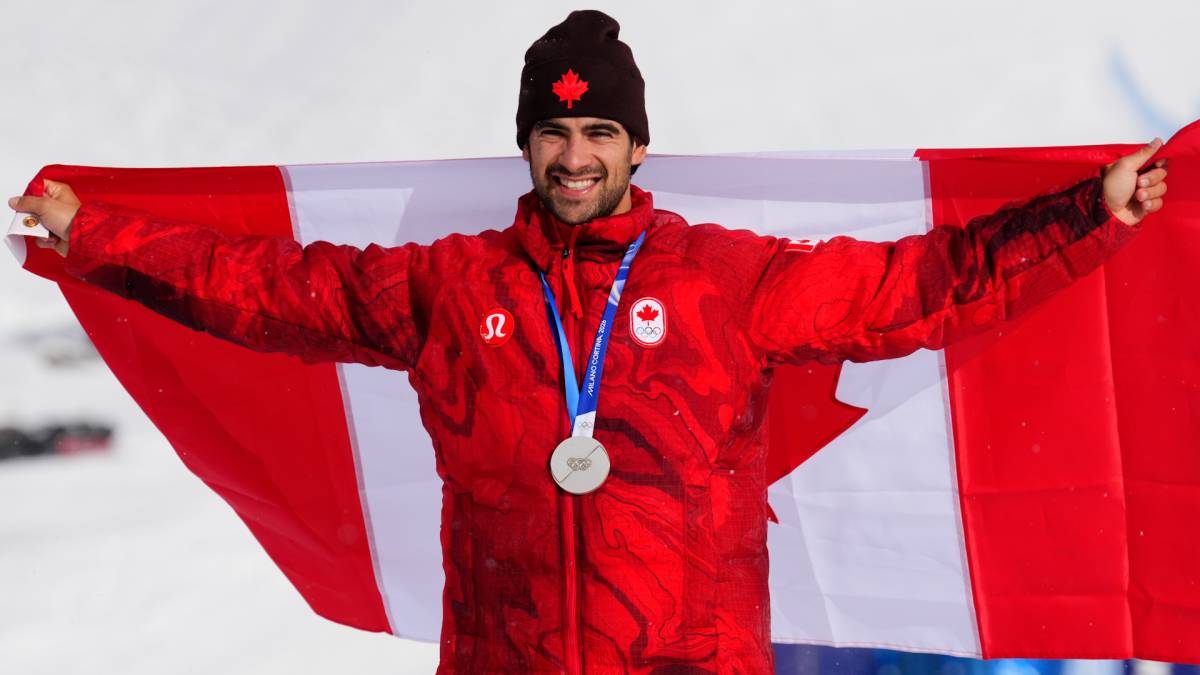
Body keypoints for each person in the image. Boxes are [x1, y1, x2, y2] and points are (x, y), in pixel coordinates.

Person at [8, 9, 1169, 675]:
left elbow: (920, 286)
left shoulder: (722, 281)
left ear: (639, 147)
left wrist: (1086, 212)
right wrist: (93, 233)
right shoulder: (450, 286)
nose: (575, 156)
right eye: (554, 131)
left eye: (599, 131)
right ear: (526, 144)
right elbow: (262, 287)